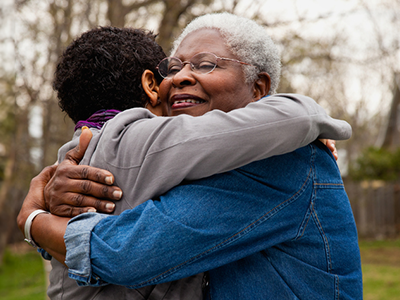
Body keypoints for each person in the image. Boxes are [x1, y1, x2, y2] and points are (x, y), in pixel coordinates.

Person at [18, 12, 361, 299]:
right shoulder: (191, 162)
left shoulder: (285, 160)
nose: (181, 77)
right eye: (174, 67)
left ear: (259, 89)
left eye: (206, 65)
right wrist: (56, 189)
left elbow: (126, 252)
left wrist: (34, 220)